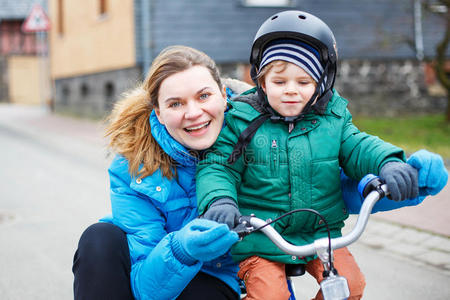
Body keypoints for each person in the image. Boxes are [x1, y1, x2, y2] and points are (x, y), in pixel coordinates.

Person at [71, 44, 448, 299]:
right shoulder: (134, 168)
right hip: (173, 276)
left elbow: (323, 188)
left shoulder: (264, 126)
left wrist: (400, 181)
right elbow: (148, 290)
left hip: (236, 274)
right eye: (175, 103)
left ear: (223, 93)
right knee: (100, 239)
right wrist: (184, 249)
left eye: (203, 96)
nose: (193, 113)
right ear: (158, 112)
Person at [195, 10, 442, 300]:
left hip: (319, 233)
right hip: (260, 237)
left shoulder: (332, 119)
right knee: (270, 295)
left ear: (321, 83)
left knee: (349, 287)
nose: (291, 91)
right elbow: (217, 167)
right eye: (279, 82)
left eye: (303, 82)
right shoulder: (240, 121)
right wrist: (220, 201)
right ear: (262, 82)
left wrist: (388, 162)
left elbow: (360, 146)